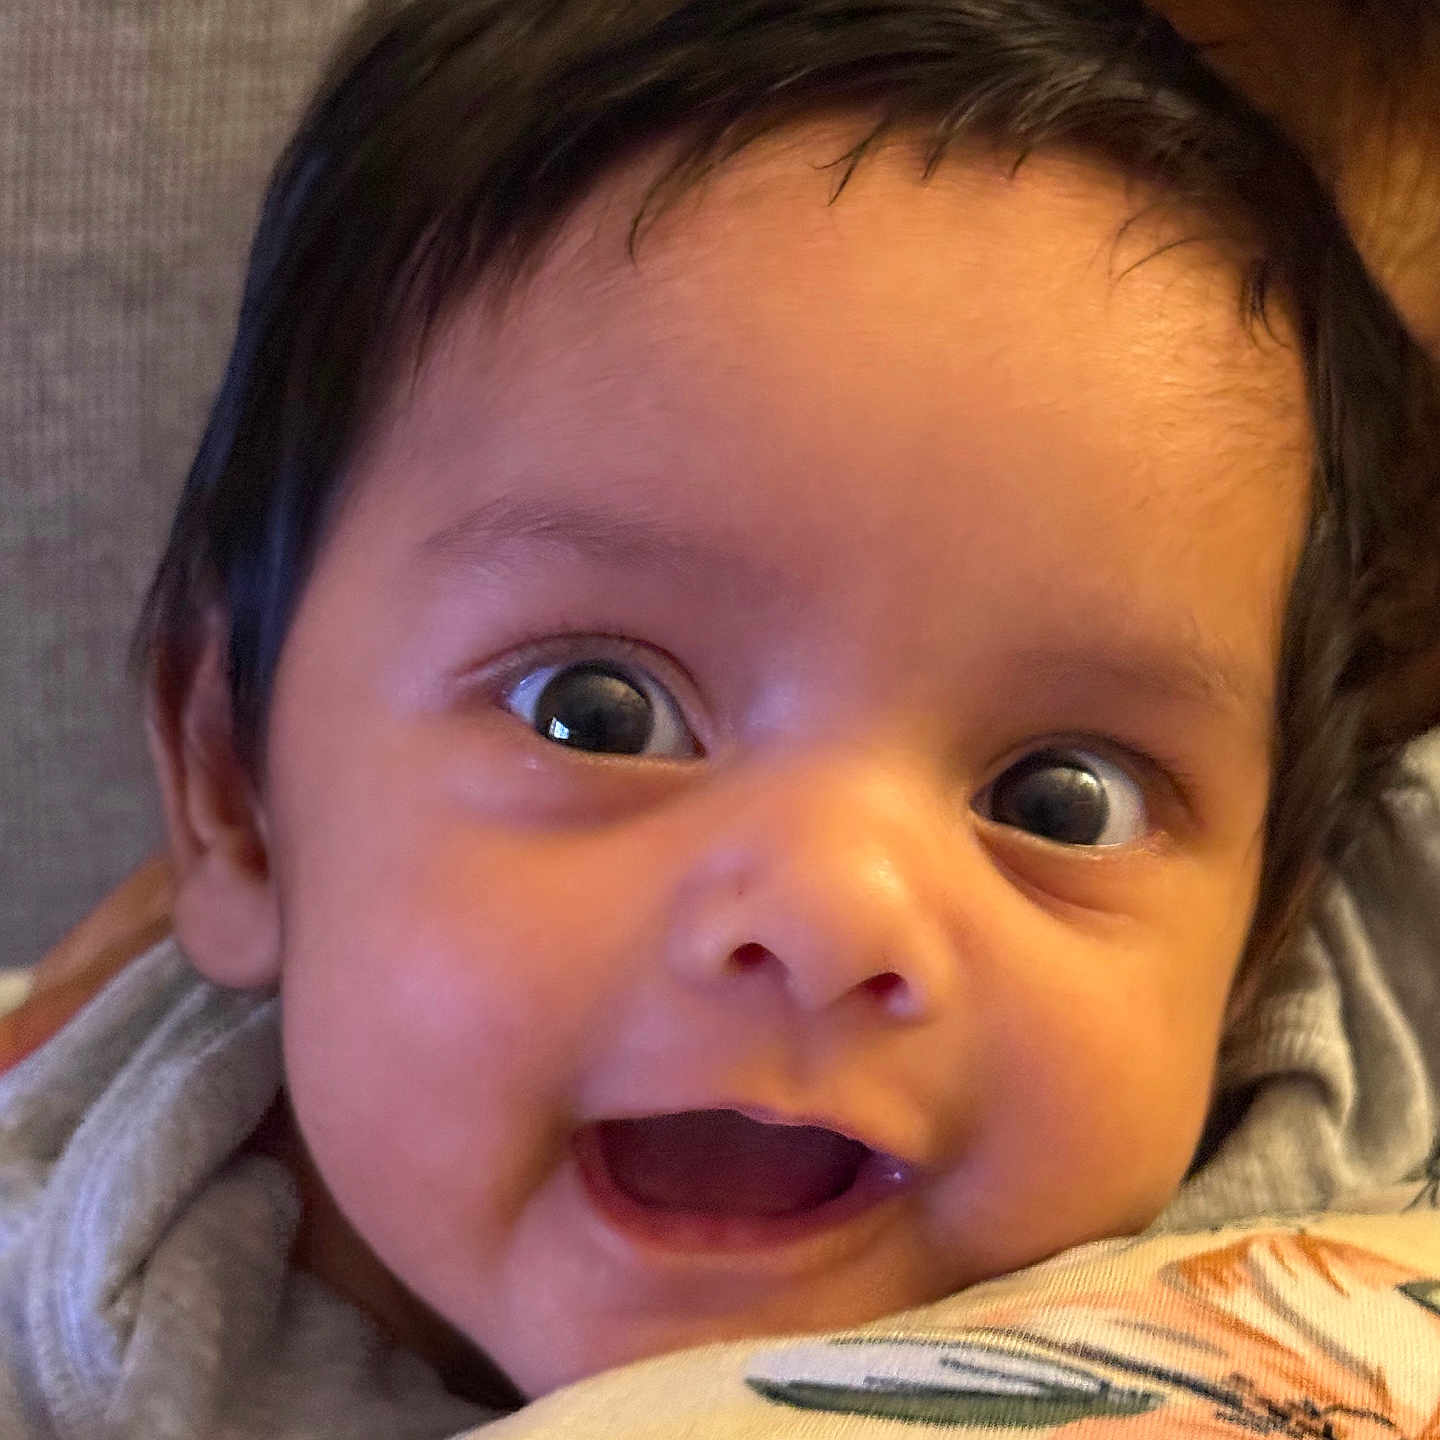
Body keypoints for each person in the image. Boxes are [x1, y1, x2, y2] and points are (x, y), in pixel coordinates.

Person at [2, 0, 1438, 1434]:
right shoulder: (98, 1302)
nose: (831, 914)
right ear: (233, 793)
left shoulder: (1362, 1117)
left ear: (1259, 946)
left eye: (1060, 799)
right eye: (597, 712)